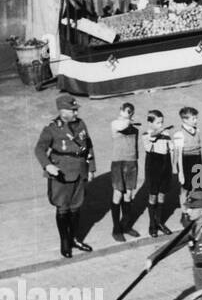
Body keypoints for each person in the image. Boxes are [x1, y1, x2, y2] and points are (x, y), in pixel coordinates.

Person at [35, 93, 96, 258]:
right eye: (73, 110)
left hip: (80, 170)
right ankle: (64, 242)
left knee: (76, 208)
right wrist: (48, 166)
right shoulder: (52, 128)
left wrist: (91, 168)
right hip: (61, 173)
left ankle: (75, 238)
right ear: (63, 111)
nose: (76, 113)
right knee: (63, 208)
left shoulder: (81, 124)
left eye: (76, 110)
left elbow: (88, 147)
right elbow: (39, 149)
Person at [108, 102, 141, 242]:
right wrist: (128, 119)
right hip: (118, 162)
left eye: (131, 112)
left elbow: (135, 148)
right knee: (118, 194)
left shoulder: (134, 129)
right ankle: (116, 229)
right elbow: (122, 126)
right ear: (120, 110)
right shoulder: (115, 123)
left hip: (131, 162)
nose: (129, 113)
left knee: (128, 195)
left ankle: (126, 225)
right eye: (126, 111)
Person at [142, 110, 175, 236]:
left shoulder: (165, 133)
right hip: (153, 166)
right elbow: (152, 137)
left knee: (162, 195)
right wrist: (160, 131)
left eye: (162, 122)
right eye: (158, 122)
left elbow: (171, 147)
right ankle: (152, 224)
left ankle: (159, 222)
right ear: (149, 123)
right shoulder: (146, 134)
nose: (161, 125)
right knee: (153, 196)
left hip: (165, 165)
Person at [172, 106, 202, 195]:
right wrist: (181, 172)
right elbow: (178, 156)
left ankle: (193, 205)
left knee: (197, 185)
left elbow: (198, 149)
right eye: (193, 119)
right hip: (186, 162)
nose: (196, 120)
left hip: (197, 160)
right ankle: (184, 206)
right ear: (185, 120)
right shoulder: (179, 134)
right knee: (186, 186)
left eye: (196, 118)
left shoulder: (197, 130)